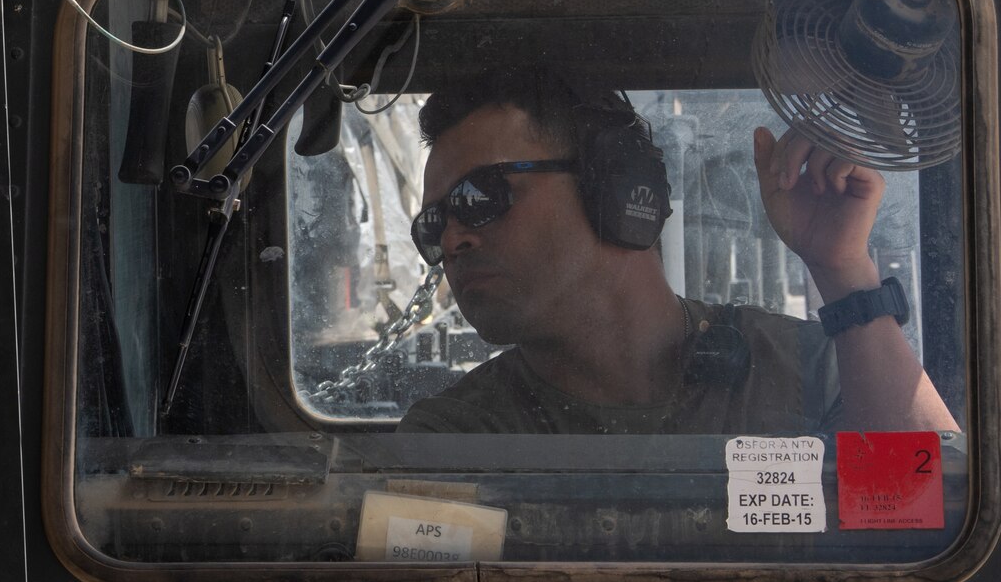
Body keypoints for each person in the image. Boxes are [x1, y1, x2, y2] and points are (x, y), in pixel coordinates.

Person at [396, 67, 958, 435]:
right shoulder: (456, 434)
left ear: (615, 188)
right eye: (433, 221)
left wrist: (842, 269)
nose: (451, 240)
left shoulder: (812, 372)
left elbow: (932, 512)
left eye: (478, 197)